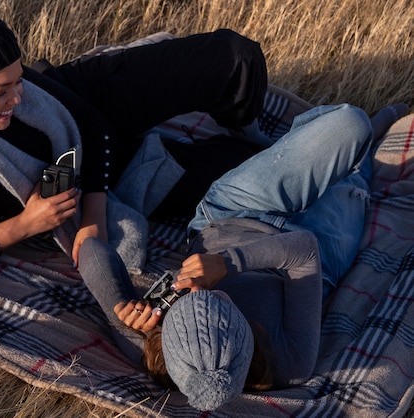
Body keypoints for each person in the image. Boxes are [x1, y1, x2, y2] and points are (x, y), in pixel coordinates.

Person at [78, 102, 410, 411]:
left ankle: (298, 144)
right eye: (221, 303)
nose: (204, 290)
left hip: (233, 211)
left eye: (189, 299)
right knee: (351, 179)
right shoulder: (291, 364)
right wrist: (228, 264)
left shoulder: (153, 347)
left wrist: (120, 304)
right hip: (317, 248)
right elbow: (304, 251)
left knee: (350, 125)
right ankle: (377, 128)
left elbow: (91, 249)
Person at [0, 9, 268, 275]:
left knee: (234, 56)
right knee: (256, 167)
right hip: (121, 167)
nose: (18, 98)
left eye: (18, 79)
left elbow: (91, 123)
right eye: (1, 92)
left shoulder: (19, 88)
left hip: (85, 96)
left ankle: (242, 124)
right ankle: (248, 147)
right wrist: (25, 225)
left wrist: (93, 218)